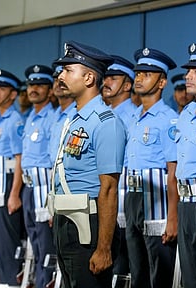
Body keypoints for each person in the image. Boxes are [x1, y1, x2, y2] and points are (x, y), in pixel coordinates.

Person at [51, 41, 125, 288]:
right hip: (66, 220)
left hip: (90, 224)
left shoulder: (106, 123)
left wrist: (104, 248)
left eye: (68, 70)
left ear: (89, 78)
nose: (61, 76)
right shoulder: (75, 119)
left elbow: (109, 189)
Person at [125, 47, 179, 288]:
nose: (139, 78)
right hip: (133, 197)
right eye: (138, 73)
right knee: (137, 271)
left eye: (147, 74)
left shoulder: (168, 119)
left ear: (162, 82)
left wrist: (173, 217)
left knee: (159, 271)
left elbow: (173, 173)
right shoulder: (134, 117)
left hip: (156, 200)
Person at [175, 42, 196, 288]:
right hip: (185, 202)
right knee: (190, 276)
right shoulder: (186, 112)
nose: (189, 75)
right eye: (189, 70)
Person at [20, 64, 57, 288]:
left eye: (40, 85)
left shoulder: (52, 118)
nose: (34, 89)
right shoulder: (30, 118)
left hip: (44, 186)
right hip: (29, 188)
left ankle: (47, 283)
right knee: (34, 241)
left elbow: (53, 161)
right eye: (31, 85)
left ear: (49, 90)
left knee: (46, 244)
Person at [0, 68, 24, 287]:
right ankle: (4, 280)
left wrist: (14, 194)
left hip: (8, 184)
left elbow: (20, 159)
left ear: (13, 94)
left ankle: (12, 281)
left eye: (2, 88)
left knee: (8, 239)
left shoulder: (14, 120)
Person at [102, 55, 137, 278]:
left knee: (126, 268)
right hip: (105, 200)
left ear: (127, 85)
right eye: (105, 77)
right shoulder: (104, 116)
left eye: (113, 78)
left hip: (125, 201)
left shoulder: (134, 117)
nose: (106, 82)